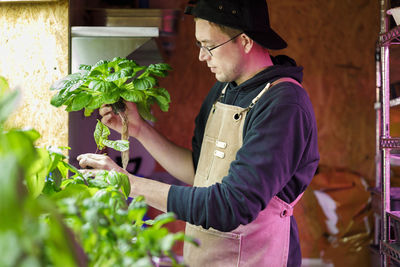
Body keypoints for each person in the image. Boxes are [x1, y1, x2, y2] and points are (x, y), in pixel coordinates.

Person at [77, 0, 320, 266]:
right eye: (199, 45)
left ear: (246, 41)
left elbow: (232, 206)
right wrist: (140, 130)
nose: (202, 56)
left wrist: (129, 183)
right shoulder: (225, 89)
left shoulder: (283, 105)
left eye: (209, 45)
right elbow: (200, 170)